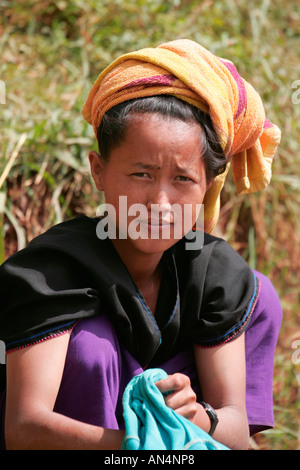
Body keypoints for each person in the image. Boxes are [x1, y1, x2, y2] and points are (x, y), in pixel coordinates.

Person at [0, 39, 282, 450]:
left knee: (261, 293)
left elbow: (236, 432)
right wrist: (142, 446)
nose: (160, 204)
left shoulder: (216, 275)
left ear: (207, 186)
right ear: (99, 171)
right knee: (89, 346)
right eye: (141, 175)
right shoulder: (50, 272)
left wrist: (199, 416)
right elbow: (25, 427)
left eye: (183, 180)